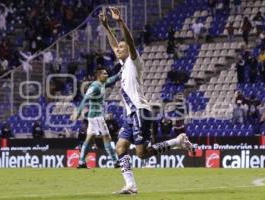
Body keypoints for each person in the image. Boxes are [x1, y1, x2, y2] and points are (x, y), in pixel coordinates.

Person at [99, 7, 194, 194]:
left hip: (140, 112)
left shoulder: (135, 62)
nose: (117, 49)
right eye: (117, 48)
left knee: (142, 154)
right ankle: (131, 186)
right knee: (120, 148)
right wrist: (106, 27)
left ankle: (177, 141)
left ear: (129, 51)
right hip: (130, 115)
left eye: (121, 48)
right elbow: (114, 45)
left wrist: (120, 22)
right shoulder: (123, 64)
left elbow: (130, 43)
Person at [71, 67, 120, 168]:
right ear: (99, 76)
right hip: (96, 116)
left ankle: (81, 162)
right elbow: (85, 99)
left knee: (89, 139)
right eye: (105, 74)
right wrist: (79, 112)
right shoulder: (94, 86)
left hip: (93, 117)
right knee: (107, 137)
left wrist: (120, 73)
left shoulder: (102, 83)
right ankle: (115, 162)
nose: (107, 76)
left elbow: (112, 79)